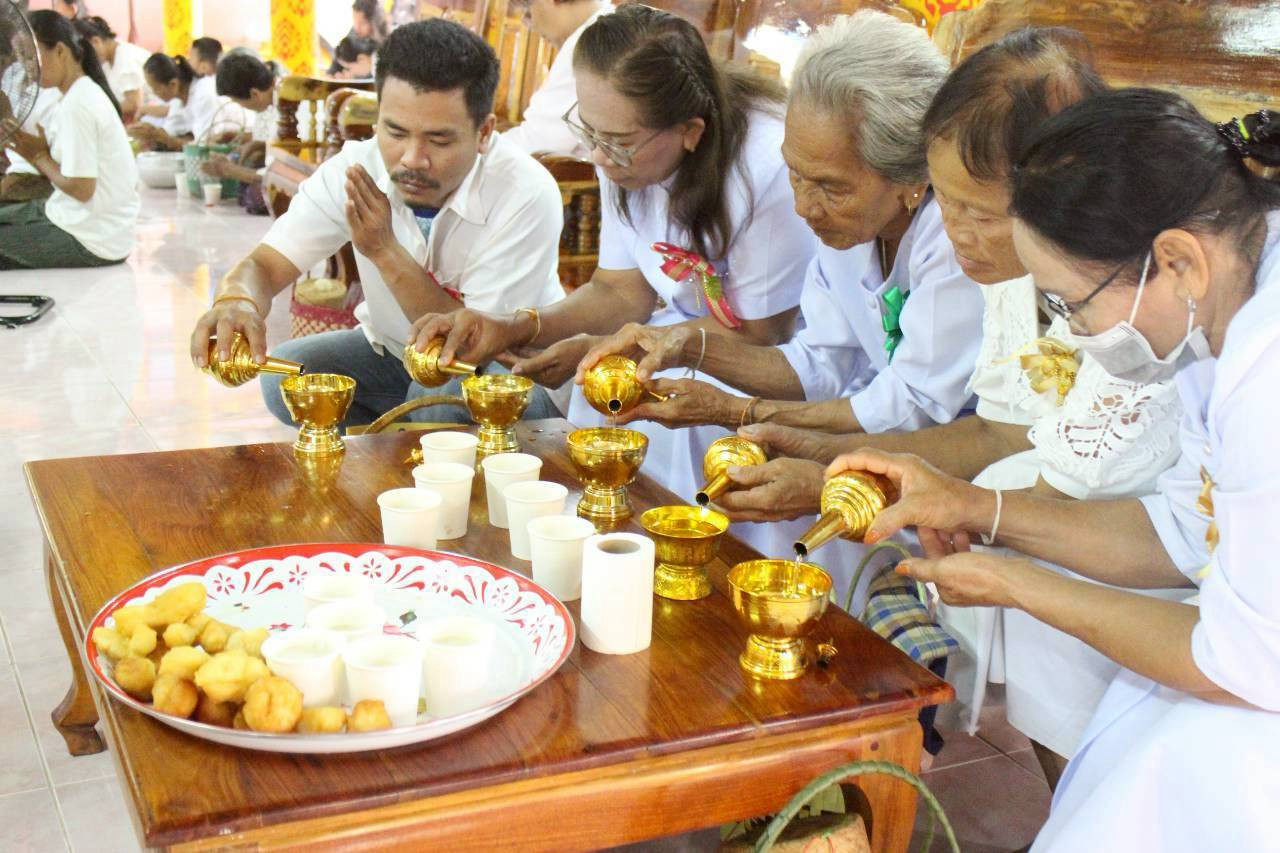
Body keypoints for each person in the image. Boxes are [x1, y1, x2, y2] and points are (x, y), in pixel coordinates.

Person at [828, 89, 1280, 852]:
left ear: (1176, 260)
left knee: (1181, 763)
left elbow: (1240, 662)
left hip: (1255, 678)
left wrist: (1011, 582)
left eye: (1072, 303)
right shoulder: (1223, 311)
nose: (1071, 332)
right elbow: (1179, 530)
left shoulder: (1266, 371)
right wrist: (975, 508)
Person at [573, 12, 982, 562]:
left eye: (830, 188)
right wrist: (692, 349)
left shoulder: (958, 240)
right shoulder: (851, 228)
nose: (804, 207)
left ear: (910, 177)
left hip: (955, 464)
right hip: (877, 433)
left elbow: (913, 406)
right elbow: (821, 363)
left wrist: (742, 412)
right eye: (794, 174)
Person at [412, 4, 816, 493]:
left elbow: (760, 330)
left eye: (619, 142)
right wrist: (515, 326)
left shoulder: (766, 167)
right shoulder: (618, 149)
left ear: (691, 132)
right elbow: (620, 289)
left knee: (661, 411)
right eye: (590, 131)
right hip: (685, 333)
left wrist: (624, 345)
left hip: (773, 358)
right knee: (602, 393)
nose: (599, 157)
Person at [189, 19, 565, 429]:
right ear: (378, 118)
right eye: (395, 132)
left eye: (439, 140)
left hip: (501, 373)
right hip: (397, 354)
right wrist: (236, 302)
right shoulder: (355, 169)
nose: (412, 159)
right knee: (291, 378)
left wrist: (383, 251)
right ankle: (401, 445)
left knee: (437, 393)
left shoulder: (524, 191)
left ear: (484, 132)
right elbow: (264, 265)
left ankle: (421, 463)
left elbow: (466, 345)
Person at [0, 11, 137, 268]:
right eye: (21, 59)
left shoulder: (77, 105)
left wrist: (38, 157)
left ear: (60, 51)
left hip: (89, 238)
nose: (27, 68)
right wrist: (41, 154)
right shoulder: (81, 94)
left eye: (31, 57)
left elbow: (82, 189)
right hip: (96, 227)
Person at [501, 0, 608, 158]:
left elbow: (537, 143)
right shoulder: (605, 31)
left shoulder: (591, 43)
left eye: (527, 9)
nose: (528, 24)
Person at [205, 51, 285, 191]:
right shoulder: (274, 98)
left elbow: (278, 178)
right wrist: (257, 144)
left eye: (237, 101)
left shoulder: (288, 109)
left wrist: (230, 170)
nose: (240, 106)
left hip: (298, 185)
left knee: (253, 194)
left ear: (255, 94)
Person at [128, 53, 220, 149]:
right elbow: (172, 132)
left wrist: (159, 135)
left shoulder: (203, 96)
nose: (155, 93)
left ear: (173, 84)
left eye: (156, 88)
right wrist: (149, 134)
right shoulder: (178, 100)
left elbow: (201, 147)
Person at [76, 16, 149, 122]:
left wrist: (99, 113)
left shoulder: (125, 56)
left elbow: (134, 103)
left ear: (96, 41)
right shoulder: (107, 62)